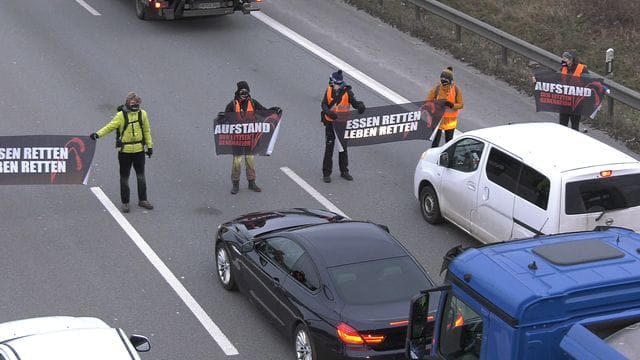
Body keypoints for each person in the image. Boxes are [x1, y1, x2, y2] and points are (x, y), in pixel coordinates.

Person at [90, 92, 154, 213]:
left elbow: (146, 130)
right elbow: (110, 127)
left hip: (139, 150)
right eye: (133, 104)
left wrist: (149, 146)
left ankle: (143, 200)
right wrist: (97, 134)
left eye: (137, 104)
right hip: (125, 152)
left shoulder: (143, 114)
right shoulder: (121, 116)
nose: (135, 106)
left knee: (141, 176)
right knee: (124, 178)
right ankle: (125, 202)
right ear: (127, 103)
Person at [219, 81, 281, 194]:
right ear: (238, 92)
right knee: (237, 161)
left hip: (250, 138)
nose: (244, 94)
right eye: (242, 91)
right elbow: (225, 118)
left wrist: (274, 110)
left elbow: (264, 112)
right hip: (237, 139)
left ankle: (251, 182)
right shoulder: (232, 105)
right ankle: (235, 183)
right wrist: (222, 117)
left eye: (246, 91)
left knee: (250, 160)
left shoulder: (253, 103)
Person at [321, 70, 365, 183]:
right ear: (331, 82)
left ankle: (344, 171)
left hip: (342, 124)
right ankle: (326, 173)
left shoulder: (347, 92)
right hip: (331, 124)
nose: (336, 86)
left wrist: (361, 106)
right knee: (329, 149)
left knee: (343, 149)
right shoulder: (329, 90)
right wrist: (328, 112)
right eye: (335, 84)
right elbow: (324, 104)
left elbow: (355, 104)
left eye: (339, 84)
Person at [425, 67, 464, 148]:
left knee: (449, 145)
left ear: (450, 80)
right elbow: (428, 101)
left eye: (445, 81)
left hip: (450, 123)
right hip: (438, 120)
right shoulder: (437, 88)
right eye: (442, 80)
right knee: (435, 144)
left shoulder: (456, 90)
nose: (443, 83)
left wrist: (452, 105)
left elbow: (461, 105)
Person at [559, 50, 589, 131]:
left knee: (574, 126)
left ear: (572, 60)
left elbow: (589, 83)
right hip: (564, 101)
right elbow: (555, 78)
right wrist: (539, 79)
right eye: (563, 58)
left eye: (566, 59)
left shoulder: (582, 69)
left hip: (576, 103)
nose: (564, 61)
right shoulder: (563, 68)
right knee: (562, 125)